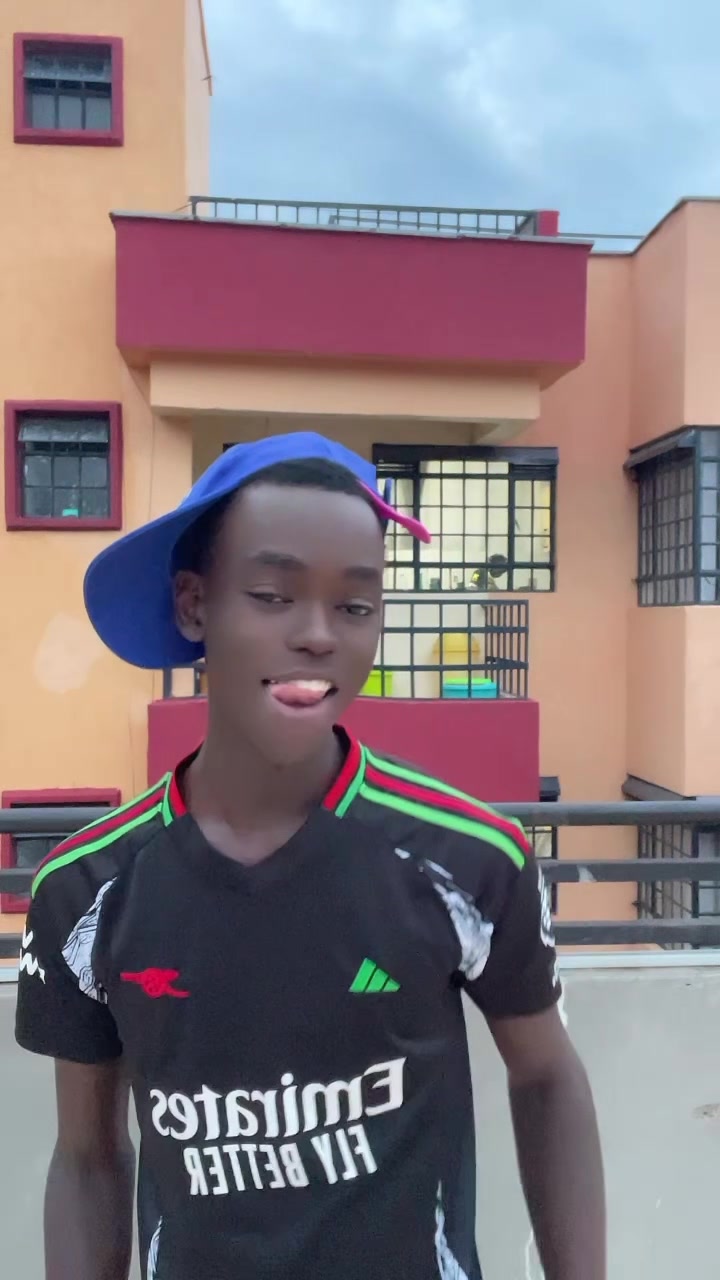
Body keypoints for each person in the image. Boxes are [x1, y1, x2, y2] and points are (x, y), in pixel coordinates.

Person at [15, 432, 605, 1280]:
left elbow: (547, 1076)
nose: (319, 635)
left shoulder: (471, 861)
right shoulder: (88, 889)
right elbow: (86, 1158)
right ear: (194, 606)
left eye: (356, 606)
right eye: (272, 595)